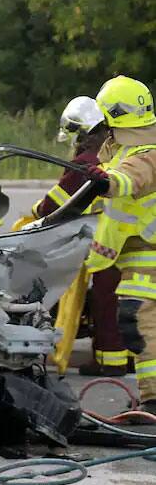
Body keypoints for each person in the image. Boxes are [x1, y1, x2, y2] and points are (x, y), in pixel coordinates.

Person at [34, 96, 127, 376]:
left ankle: (111, 363)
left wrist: (35, 212)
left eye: (77, 136)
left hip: (107, 242)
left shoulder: (87, 162)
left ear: (86, 133)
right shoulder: (120, 153)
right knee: (130, 305)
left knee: (105, 300)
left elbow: (54, 206)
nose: (76, 143)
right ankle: (128, 356)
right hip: (129, 237)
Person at [83, 76, 156, 412]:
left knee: (141, 325)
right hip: (137, 257)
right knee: (138, 326)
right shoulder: (128, 150)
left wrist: (107, 181)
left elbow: (131, 178)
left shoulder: (146, 154)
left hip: (148, 257)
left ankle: (154, 401)